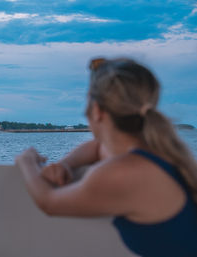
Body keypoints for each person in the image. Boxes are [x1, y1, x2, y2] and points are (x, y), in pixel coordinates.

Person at [15, 58, 197, 257]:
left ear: (97, 110)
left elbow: (49, 202)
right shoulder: (153, 153)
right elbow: (97, 147)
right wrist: (66, 164)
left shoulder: (124, 172)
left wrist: (26, 161)